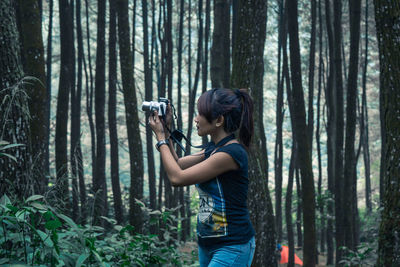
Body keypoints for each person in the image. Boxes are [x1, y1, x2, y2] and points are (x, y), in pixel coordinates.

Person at [148, 88, 256, 267]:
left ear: (219, 120)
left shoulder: (231, 153)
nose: (196, 119)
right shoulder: (213, 149)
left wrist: (160, 139)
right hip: (208, 244)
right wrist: (166, 133)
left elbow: (177, 178)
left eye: (200, 114)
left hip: (232, 246)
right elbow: (179, 164)